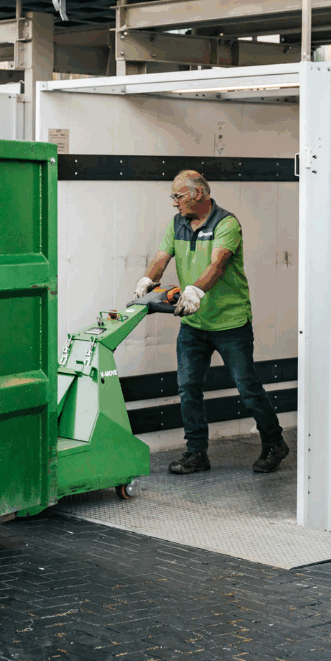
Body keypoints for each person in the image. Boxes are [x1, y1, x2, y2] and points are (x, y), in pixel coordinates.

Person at [133, 170, 289, 475]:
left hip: (230, 323)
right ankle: (196, 454)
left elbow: (218, 265)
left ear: (198, 194)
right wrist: (148, 278)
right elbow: (162, 257)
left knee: (246, 386)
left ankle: (274, 443)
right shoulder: (177, 224)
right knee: (188, 388)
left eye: (178, 196)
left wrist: (195, 290)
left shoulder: (226, 223)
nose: (175, 203)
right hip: (194, 324)